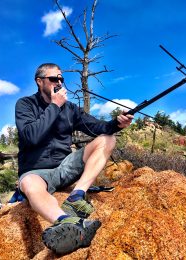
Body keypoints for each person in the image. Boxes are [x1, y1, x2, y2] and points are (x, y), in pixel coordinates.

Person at [15, 63, 133, 254]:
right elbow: (31, 136)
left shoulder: (70, 109)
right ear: (39, 81)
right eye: (54, 79)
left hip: (65, 167)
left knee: (107, 139)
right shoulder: (25, 104)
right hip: (35, 170)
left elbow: (99, 128)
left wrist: (117, 123)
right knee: (29, 185)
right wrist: (55, 105)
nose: (60, 82)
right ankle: (67, 223)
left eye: (61, 78)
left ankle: (76, 196)